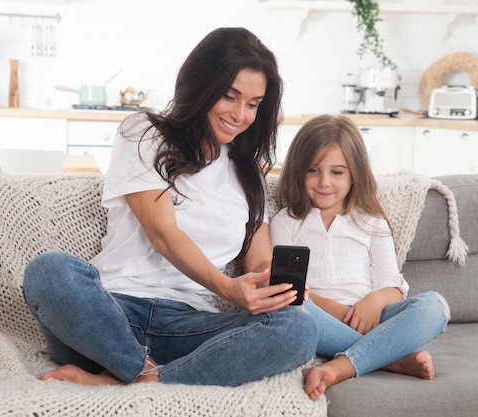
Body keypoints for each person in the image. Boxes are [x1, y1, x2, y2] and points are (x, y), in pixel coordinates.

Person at [22, 27, 318, 388]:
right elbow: (163, 234)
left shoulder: (248, 173)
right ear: (201, 85)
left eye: (253, 104)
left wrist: (272, 285)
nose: (240, 115)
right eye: (230, 96)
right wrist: (227, 288)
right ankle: (140, 369)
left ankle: (138, 379)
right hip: (108, 319)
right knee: (49, 271)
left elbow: (258, 261)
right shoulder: (144, 133)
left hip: (188, 329)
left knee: (298, 329)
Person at [270, 114, 450, 400]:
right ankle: (389, 357)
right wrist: (335, 311)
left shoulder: (371, 222)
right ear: (297, 171)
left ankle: (339, 367)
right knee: (287, 309)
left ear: (355, 175)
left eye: (337, 172)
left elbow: (393, 286)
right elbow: (288, 290)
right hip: (315, 315)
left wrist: (373, 302)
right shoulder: (286, 222)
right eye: (313, 170)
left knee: (435, 307)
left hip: (369, 317)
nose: (324, 182)